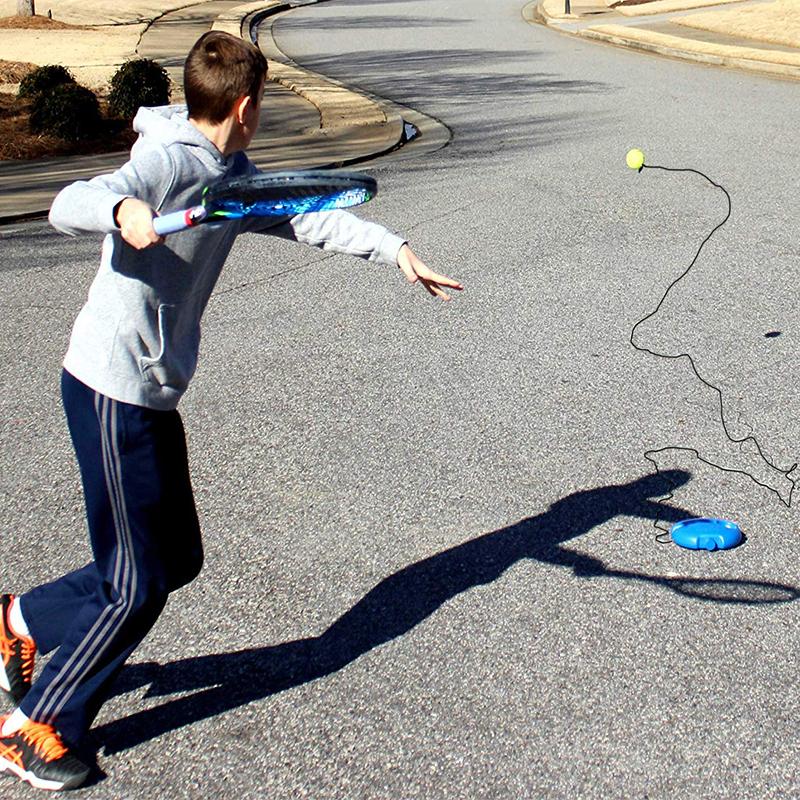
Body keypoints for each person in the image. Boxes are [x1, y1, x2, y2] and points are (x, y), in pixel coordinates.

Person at [0, 30, 462, 792]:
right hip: (112, 387)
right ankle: (38, 726)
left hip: (144, 390)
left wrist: (394, 249)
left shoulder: (229, 172)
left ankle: (18, 623)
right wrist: (122, 209)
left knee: (173, 560)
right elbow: (66, 203)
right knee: (137, 583)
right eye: (264, 105)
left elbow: (303, 214)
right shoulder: (170, 162)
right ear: (244, 107)